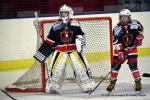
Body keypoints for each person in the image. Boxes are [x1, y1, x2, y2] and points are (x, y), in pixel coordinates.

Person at [34, 4, 95, 94]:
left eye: (66, 13)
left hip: (74, 50)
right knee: (57, 70)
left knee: (81, 68)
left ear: (70, 13)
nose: (64, 15)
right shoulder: (55, 26)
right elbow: (50, 41)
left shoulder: (76, 24)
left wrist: (81, 43)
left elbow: (81, 36)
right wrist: (42, 54)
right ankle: (53, 86)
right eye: (62, 13)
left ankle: (87, 84)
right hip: (60, 50)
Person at [106, 9, 144, 92]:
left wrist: (139, 38)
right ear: (120, 17)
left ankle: (138, 82)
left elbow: (140, 31)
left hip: (132, 48)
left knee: (133, 65)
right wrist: (120, 52)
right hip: (120, 50)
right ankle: (112, 82)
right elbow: (116, 41)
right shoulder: (117, 28)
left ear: (129, 17)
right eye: (122, 17)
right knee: (115, 65)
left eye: (126, 17)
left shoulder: (136, 24)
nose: (124, 19)